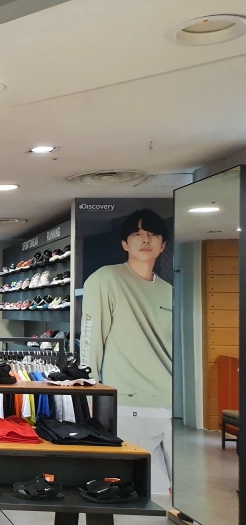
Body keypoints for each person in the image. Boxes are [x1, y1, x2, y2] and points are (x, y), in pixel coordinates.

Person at [80, 208, 173, 491]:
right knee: (140, 491)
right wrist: (91, 394)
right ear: (124, 243)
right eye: (137, 234)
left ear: (163, 245)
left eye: (153, 234)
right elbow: (91, 340)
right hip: (127, 401)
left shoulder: (170, 291)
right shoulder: (104, 279)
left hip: (172, 403)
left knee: (175, 493)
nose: (145, 239)